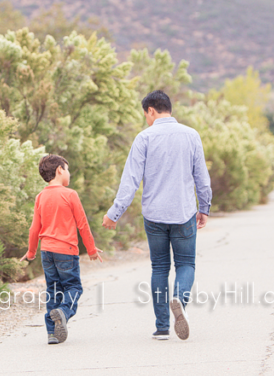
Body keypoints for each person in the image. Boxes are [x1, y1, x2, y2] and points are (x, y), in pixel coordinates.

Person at [102, 90, 211, 341]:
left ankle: (162, 326)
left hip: (154, 215)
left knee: (159, 267)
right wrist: (204, 208)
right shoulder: (191, 135)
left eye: (146, 115)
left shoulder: (144, 138)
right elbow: (202, 179)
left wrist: (114, 213)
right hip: (184, 213)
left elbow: (130, 180)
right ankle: (180, 299)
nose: (146, 120)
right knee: (185, 264)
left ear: (151, 110)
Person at [22, 154, 103, 345]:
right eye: (67, 170)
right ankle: (64, 312)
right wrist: (91, 249)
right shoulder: (70, 194)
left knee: (53, 289)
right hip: (66, 251)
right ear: (60, 170)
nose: (69, 174)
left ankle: (52, 333)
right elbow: (82, 224)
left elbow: (34, 228)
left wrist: (31, 252)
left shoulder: (41, 196)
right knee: (74, 287)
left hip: (46, 252)